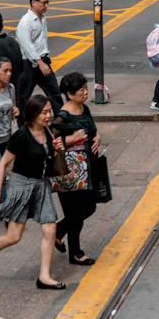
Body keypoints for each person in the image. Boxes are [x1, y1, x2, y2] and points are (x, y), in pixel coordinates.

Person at [0, 94, 65, 288]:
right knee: (14, 236)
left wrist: (57, 150)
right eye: (44, 112)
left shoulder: (48, 132)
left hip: (41, 184)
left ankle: (44, 276)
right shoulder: (21, 136)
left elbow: (50, 160)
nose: (48, 116)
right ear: (33, 114)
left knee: (50, 229)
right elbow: (2, 164)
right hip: (21, 185)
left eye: (50, 111)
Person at [51, 71, 102, 267]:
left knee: (89, 206)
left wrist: (97, 137)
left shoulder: (84, 109)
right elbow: (51, 142)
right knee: (75, 212)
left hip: (87, 168)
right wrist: (70, 139)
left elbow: (93, 131)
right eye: (81, 90)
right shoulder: (62, 117)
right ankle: (76, 253)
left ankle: (59, 231)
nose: (85, 93)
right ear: (70, 94)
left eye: (86, 89)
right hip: (69, 172)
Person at [16, 0, 58, 109]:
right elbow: (27, 46)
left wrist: (43, 62)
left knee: (55, 94)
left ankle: (61, 124)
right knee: (23, 97)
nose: (46, 6)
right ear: (34, 3)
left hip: (43, 61)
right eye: (43, 3)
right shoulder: (25, 22)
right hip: (29, 65)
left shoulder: (42, 18)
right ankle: (23, 125)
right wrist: (40, 63)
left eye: (47, 3)